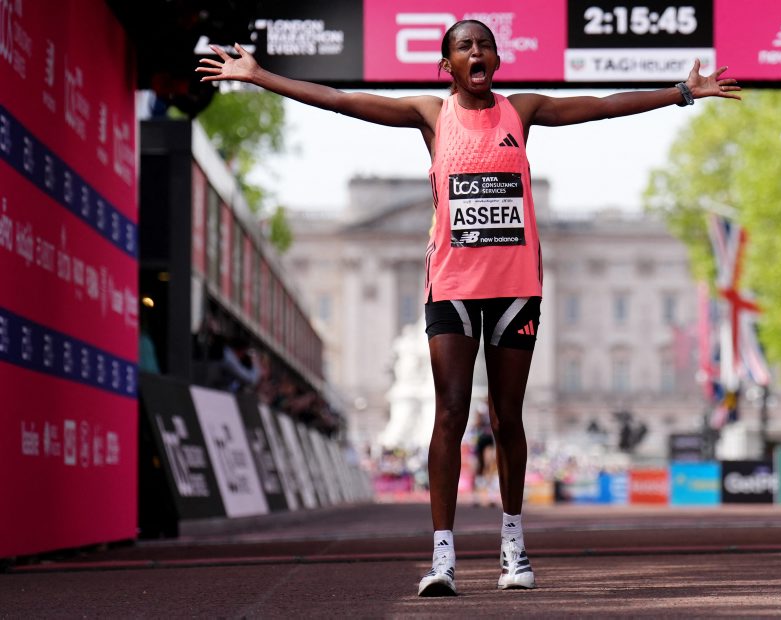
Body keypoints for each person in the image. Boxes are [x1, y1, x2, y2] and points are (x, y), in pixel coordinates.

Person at [197, 20, 740, 597]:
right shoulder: (430, 115)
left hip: (515, 286)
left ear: (497, 61)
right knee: (450, 412)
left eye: (484, 44)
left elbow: (601, 107)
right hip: (452, 285)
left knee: (507, 418)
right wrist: (260, 77)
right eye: (464, 46)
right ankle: (442, 554)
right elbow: (341, 100)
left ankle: (513, 541)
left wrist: (681, 93)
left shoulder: (522, 111)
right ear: (447, 65)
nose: (475, 51)